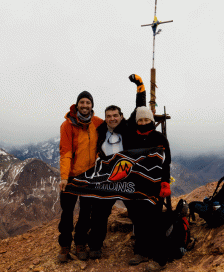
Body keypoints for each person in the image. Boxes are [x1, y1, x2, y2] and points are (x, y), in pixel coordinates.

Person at [82, 74, 146, 259]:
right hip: (107, 179)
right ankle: (94, 247)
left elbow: (140, 108)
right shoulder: (100, 130)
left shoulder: (128, 127)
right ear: (105, 118)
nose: (112, 119)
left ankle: (141, 250)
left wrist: (140, 86)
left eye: (115, 115)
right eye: (108, 116)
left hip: (129, 178)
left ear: (121, 116)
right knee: (99, 214)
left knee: (136, 213)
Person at [58, 91, 104, 262]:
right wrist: (64, 177)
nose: (85, 105)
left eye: (88, 103)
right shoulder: (67, 125)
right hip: (71, 177)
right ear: (77, 105)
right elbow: (66, 152)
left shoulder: (98, 123)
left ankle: (80, 243)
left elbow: (116, 126)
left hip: (90, 176)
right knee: (67, 212)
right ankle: (64, 245)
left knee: (86, 212)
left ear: (92, 105)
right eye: (82, 102)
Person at [125, 106, 172, 272]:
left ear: (152, 121)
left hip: (155, 186)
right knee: (138, 220)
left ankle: (161, 259)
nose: (143, 122)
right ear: (136, 121)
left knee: (155, 220)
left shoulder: (160, 138)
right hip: (137, 186)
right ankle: (141, 252)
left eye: (146, 119)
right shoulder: (131, 138)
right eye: (140, 120)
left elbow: (166, 162)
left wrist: (165, 183)